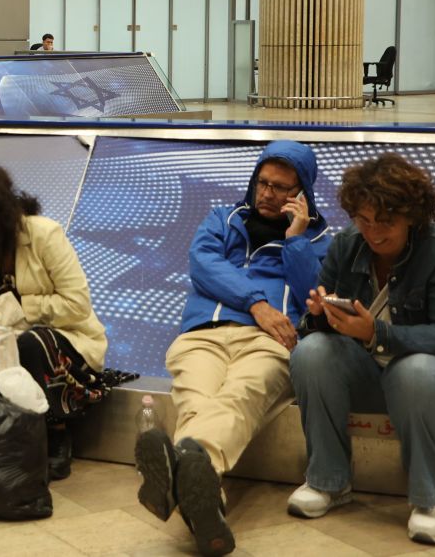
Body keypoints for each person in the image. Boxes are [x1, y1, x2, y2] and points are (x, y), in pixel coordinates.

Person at [134, 140, 329, 557]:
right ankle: (203, 494)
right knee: (197, 397)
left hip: (271, 343)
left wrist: (296, 239)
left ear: (302, 194)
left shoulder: (322, 239)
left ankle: (182, 484)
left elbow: (312, 290)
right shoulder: (223, 219)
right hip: (205, 334)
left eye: (280, 188)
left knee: (241, 395)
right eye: (263, 182)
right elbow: (204, 264)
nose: (267, 193)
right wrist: (257, 303)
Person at [287, 153, 435, 546]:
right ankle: (328, 482)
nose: (374, 232)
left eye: (386, 221)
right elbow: (318, 324)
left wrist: (376, 333)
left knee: (416, 372)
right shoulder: (346, 245)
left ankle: (430, 499)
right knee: (311, 353)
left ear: (412, 216)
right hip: (377, 378)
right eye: (363, 220)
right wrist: (320, 315)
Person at [0, 161, 108, 481]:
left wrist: (22, 306)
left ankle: (56, 433)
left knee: (31, 342)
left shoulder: (44, 233)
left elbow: (78, 305)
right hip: (12, 335)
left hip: (68, 339)